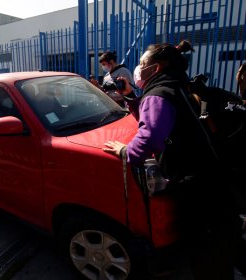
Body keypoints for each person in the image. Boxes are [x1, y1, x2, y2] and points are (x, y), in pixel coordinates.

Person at [102, 40, 241, 279]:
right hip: (216, 178)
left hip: (196, 189)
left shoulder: (159, 93)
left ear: (155, 68)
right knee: (227, 245)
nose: (138, 67)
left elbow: (150, 138)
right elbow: (162, 121)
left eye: (142, 63)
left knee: (207, 256)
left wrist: (125, 151)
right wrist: (132, 98)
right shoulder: (180, 85)